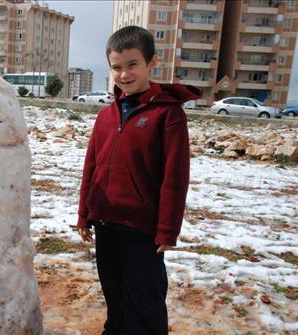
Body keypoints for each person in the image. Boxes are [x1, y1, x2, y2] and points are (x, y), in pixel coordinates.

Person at [76, 25, 201, 335]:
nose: (124, 74)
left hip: (142, 228)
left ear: (151, 64)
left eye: (132, 64)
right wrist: (84, 213)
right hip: (105, 220)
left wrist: (167, 230)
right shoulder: (106, 115)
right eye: (116, 67)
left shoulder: (167, 115)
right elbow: (90, 166)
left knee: (145, 300)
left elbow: (175, 176)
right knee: (115, 296)